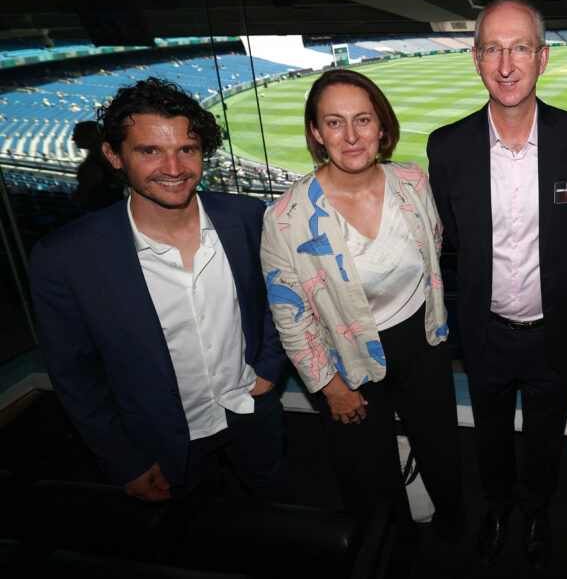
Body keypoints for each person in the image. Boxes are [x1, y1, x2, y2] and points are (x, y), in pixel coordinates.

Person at [30, 77, 292, 503]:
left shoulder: (247, 216)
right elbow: (76, 374)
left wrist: (267, 372)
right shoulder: (63, 258)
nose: (173, 168)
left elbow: (279, 298)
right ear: (113, 156)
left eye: (186, 149)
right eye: (150, 150)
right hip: (157, 436)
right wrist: (122, 459)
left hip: (252, 407)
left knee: (281, 512)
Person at [427, 0, 567, 569]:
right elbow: (454, 237)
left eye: (521, 48)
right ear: (476, 59)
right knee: (491, 436)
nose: (507, 65)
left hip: (554, 331)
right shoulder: (447, 147)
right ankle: (499, 506)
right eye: (494, 49)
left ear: (543, 57)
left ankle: (535, 511)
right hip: (486, 334)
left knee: (546, 435)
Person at [261, 69, 463, 540]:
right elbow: (290, 315)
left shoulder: (413, 182)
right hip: (346, 359)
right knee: (368, 478)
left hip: (423, 340)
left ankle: (453, 528)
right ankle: (385, 551)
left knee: (441, 449)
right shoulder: (286, 217)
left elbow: (433, 247)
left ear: (381, 126)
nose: (351, 136)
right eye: (334, 122)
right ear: (316, 132)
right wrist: (329, 386)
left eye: (363, 120)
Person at [71, 119, 123, 210]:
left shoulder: (93, 166)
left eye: (77, 135)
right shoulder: (111, 159)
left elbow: (80, 197)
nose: (73, 138)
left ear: (90, 137)